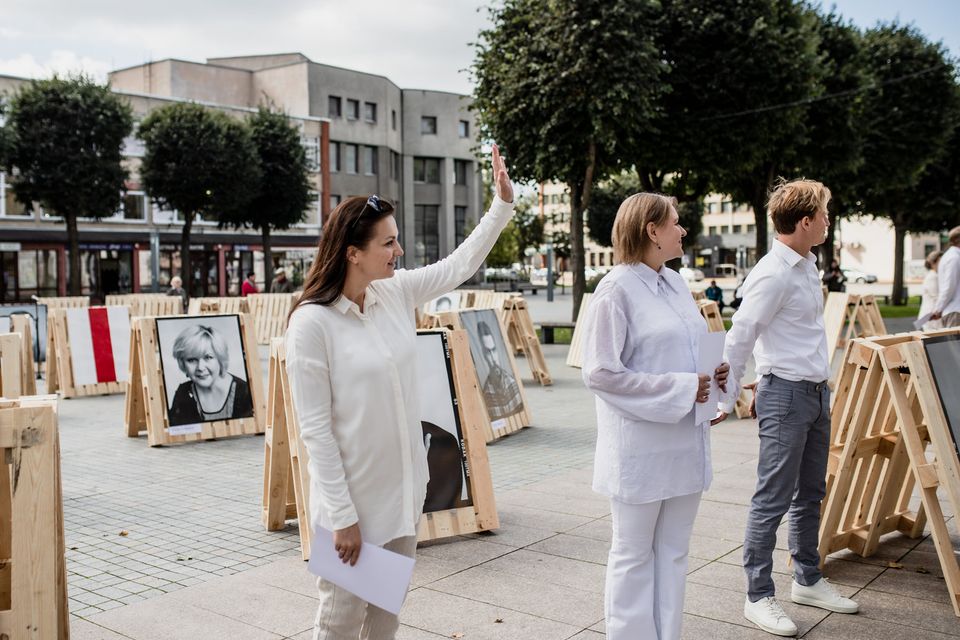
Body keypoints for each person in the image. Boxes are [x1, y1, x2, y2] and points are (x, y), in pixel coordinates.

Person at [284, 144, 514, 639]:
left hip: (402, 498)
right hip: (353, 508)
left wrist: (501, 207)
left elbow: (458, 266)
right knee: (340, 623)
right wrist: (343, 519)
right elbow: (316, 433)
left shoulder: (394, 292)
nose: (399, 251)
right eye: (388, 243)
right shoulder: (311, 325)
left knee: (384, 621)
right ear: (352, 252)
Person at [581, 192, 729, 640]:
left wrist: (714, 377)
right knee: (632, 553)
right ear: (652, 230)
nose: (683, 230)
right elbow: (601, 373)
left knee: (675, 552)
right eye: (676, 222)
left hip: (684, 442)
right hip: (640, 449)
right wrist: (684, 387)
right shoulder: (615, 290)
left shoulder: (677, 283)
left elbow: (686, 352)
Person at [714, 179, 859, 637]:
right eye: (824, 214)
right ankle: (757, 595)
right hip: (787, 397)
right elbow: (740, 334)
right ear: (804, 222)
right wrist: (727, 395)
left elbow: (792, 335)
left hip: (815, 393)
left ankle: (808, 578)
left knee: (810, 492)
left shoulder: (805, 265)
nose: (828, 221)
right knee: (772, 498)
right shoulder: (773, 272)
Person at [167, 323, 254, 426]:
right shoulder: (183, 393)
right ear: (183, 364)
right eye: (191, 360)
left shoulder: (245, 392)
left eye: (208, 357)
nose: (200, 367)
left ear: (220, 359)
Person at [475, 318, 523, 420]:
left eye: (494, 350)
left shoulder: (513, 383)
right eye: (488, 352)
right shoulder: (487, 394)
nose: (493, 358)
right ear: (483, 354)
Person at [931, 226, 960, 328]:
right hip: (955, 311)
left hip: (953, 311)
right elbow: (949, 287)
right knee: (955, 344)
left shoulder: (951, 256)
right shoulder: (954, 258)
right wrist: (938, 309)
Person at [919, 250, 943, 331]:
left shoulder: (934, 275)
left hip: (931, 316)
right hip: (931, 316)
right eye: (941, 261)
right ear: (933, 263)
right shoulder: (933, 276)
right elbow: (936, 296)